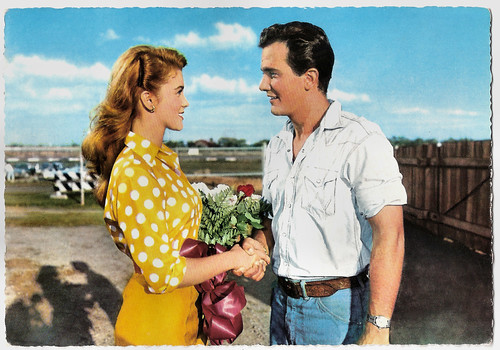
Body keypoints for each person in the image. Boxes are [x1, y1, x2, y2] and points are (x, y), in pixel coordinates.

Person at [81, 45, 269, 346]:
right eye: (178, 91)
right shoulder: (134, 171)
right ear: (149, 99)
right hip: (155, 323)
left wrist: (240, 248)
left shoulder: (161, 162)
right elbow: (162, 273)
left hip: (185, 312)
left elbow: (188, 239)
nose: (186, 101)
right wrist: (232, 258)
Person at [234, 21, 407, 345]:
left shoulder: (360, 140)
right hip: (281, 303)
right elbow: (274, 220)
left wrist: (378, 327)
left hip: (336, 313)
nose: (262, 85)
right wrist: (258, 244)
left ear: (309, 79)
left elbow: (391, 234)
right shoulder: (277, 145)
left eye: (272, 74)